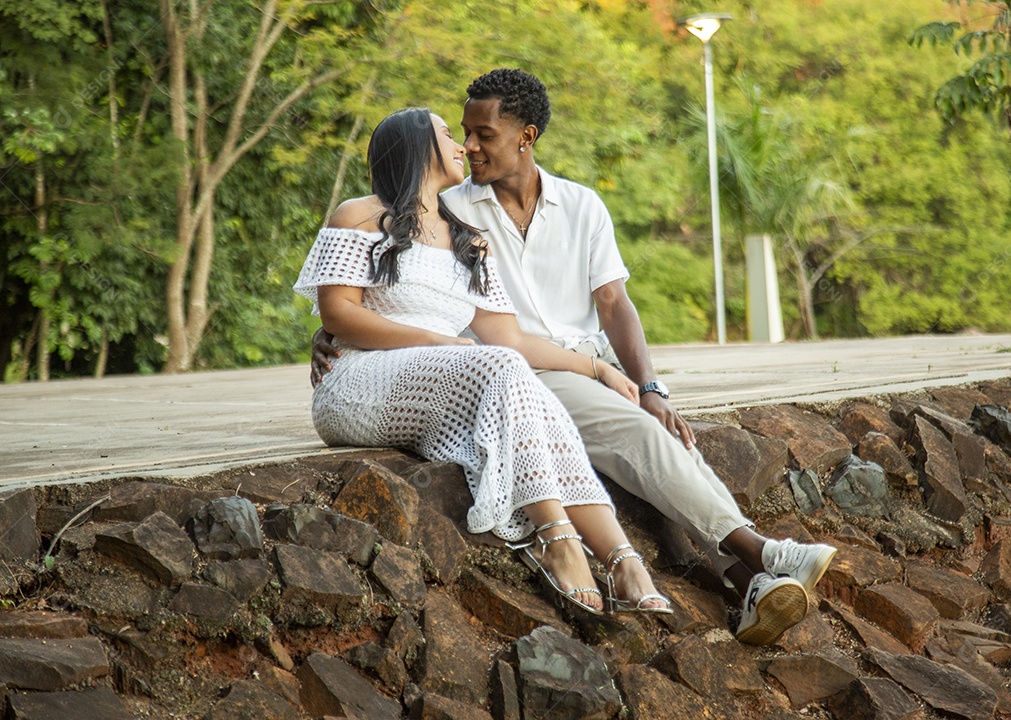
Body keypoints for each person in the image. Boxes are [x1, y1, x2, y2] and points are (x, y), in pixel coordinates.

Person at [312, 70, 835, 645]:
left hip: (550, 363)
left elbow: (613, 303)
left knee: (656, 435)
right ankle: (753, 552)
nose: (469, 146)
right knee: (638, 437)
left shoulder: (564, 209)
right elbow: (369, 294)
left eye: (483, 133)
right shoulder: (448, 205)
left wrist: (647, 384)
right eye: (460, 134)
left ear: (526, 136)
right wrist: (352, 332)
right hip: (502, 368)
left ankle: (747, 580)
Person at [294, 106, 672, 619]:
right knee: (494, 366)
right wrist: (435, 341)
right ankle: (557, 539)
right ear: (414, 146)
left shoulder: (469, 238)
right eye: (449, 134)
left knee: (533, 395)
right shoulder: (358, 215)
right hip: (358, 384)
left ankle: (621, 557)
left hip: (439, 384)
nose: (463, 145)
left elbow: (511, 340)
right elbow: (339, 314)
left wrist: (599, 368)